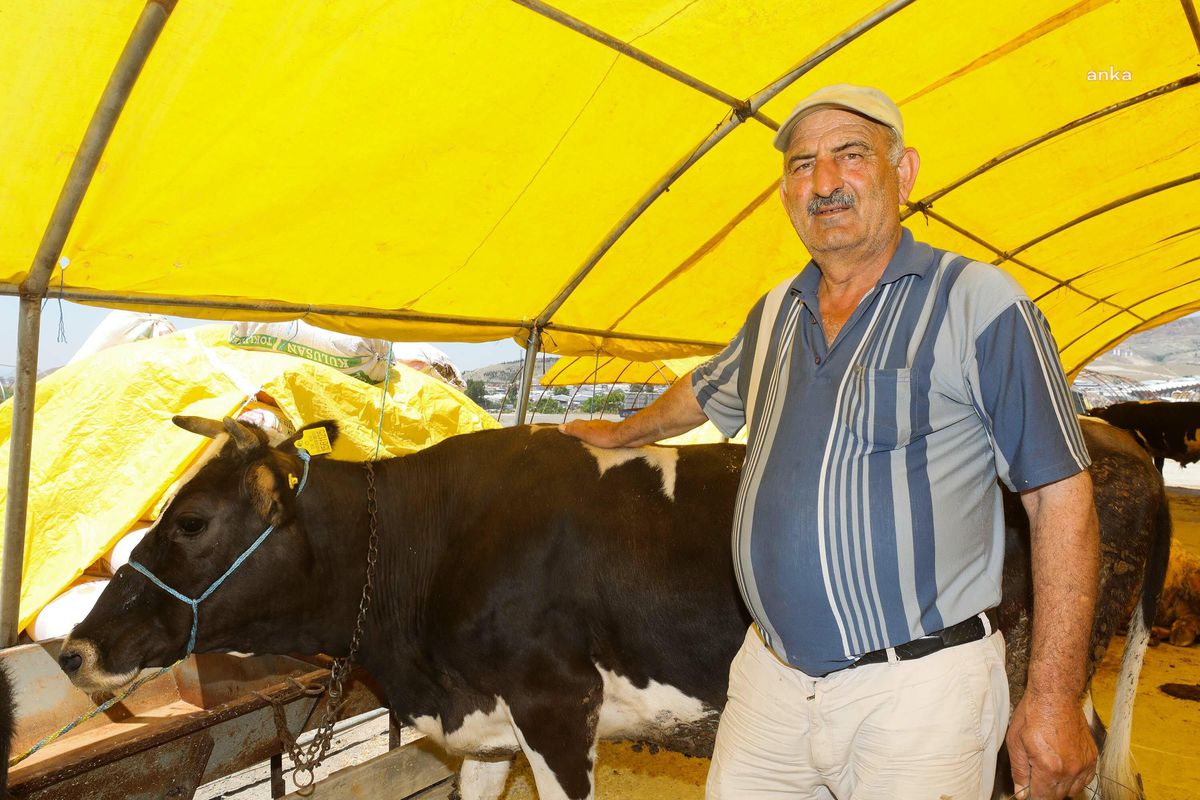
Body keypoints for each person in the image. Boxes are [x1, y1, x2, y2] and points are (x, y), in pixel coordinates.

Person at [560, 84, 1099, 800]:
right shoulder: (777, 310)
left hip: (918, 695)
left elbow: (1061, 499)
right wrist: (615, 433)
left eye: (850, 155)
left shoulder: (979, 303)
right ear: (785, 192)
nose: (823, 182)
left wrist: (1057, 697)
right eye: (802, 164)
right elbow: (703, 391)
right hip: (770, 679)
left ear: (902, 173)